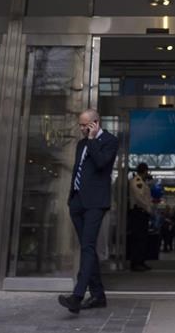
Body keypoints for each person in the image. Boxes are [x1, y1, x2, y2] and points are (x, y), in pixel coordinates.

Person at [58, 108, 119, 314]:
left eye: (86, 125)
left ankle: (77, 296)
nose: (82, 129)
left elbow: (102, 164)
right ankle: (98, 295)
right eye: (81, 125)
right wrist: (71, 200)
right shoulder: (81, 143)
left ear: (96, 122)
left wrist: (93, 139)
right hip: (77, 202)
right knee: (88, 247)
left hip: (95, 203)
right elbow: (78, 170)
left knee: (87, 246)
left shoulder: (110, 141)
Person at [127, 162, 153, 272]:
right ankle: (136, 263)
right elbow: (139, 198)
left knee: (142, 238)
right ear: (145, 171)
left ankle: (140, 261)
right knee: (138, 238)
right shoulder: (137, 182)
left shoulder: (141, 182)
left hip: (141, 213)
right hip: (139, 212)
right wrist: (148, 208)